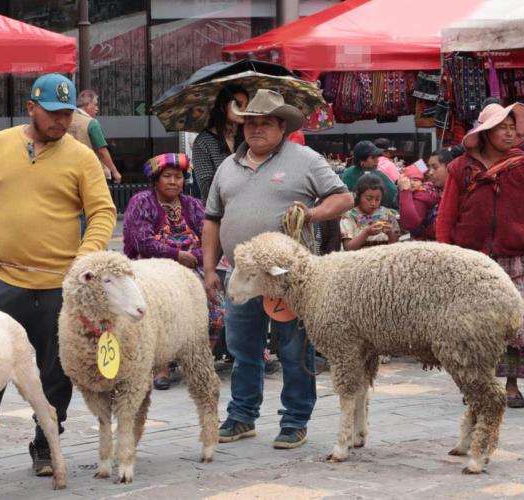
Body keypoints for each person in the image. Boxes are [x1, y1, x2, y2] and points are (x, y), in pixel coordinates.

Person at [0, 74, 117, 479]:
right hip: (4, 279)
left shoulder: (80, 156)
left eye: (67, 114)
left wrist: (85, 259)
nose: (61, 122)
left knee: (55, 369)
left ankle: (46, 442)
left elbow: (103, 211)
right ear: (31, 108)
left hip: (61, 284)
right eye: (53, 114)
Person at [203, 89, 353, 449]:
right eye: (249, 123)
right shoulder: (227, 165)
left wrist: (312, 214)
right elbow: (212, 220)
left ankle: (295, 420)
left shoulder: (305, 159)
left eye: (265, 123)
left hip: (290, 281)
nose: (255, 130)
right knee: (242, 348)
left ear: (281, 126)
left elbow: (344, 197)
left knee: (293, 351)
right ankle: (241, 416)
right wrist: (210, 269)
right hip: (240, 273)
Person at [437, 102, 524, 409]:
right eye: (503, 127)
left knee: (514, 324)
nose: (510, 132)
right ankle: (476, 384)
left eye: (513, 127)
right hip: (472, 261)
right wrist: (448, 253)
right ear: (486, 132)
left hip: (516, 260)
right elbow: (447, 214)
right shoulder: (461, 168)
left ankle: (511, 386)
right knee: (473, 326)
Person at [122, 153, 224, 390]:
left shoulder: (193, 205)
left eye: (178, 177)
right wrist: (176, 255)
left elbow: (210, 239)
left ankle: (199, 361)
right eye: (167, 176)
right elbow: (141, 241)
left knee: (217, 305)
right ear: (156, 180)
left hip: (190, 269)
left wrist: (194, 258)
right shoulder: (142, 202)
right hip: (152, 270)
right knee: (162, 309)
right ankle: (161, 366)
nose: (173, 182)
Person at [191, 85, 248, 203]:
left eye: (246, 106)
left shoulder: (249, 138)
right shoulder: (203, 141)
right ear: (223, 106)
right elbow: (206, 187)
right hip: (218, 213)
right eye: (238, 104)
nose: (244, 110)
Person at [68, 89, 121, 184]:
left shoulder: (67, 120)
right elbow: (102, 151)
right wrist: (115, 171)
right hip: (93, 174)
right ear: (88, 105)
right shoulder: (91, 123)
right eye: (95, 104)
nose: (97, 108)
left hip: (70, 174)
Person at [398, 150, 451, 240]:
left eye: (435, 167)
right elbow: (410, 224)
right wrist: (405, 191)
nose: (430, 172)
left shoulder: (461, 192)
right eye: (429, 168)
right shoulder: (426, 191)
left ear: (449, 167)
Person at [341, 174, 400, 250]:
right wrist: (366, 233)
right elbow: (348, 248)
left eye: (378, 199)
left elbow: (395, 247)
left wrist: (390, 233)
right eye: (369, 199)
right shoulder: (349, 217)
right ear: (358, 196)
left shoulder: (388, 215)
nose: (373, 203)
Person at [340, 141, 399, 209]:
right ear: (362, 161)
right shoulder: (377, 175)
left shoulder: (347, 172)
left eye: (377, 157)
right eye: (373, 158)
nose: (377, 160)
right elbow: (394, 198)